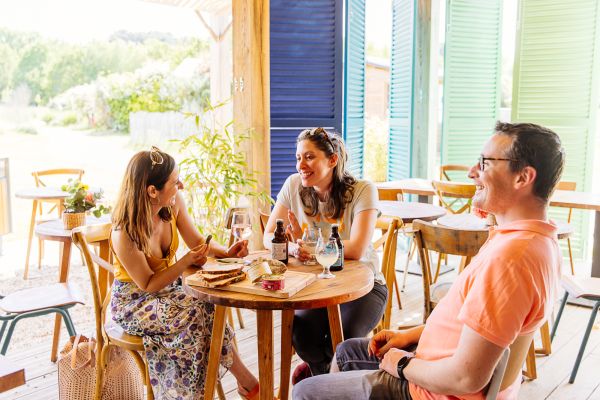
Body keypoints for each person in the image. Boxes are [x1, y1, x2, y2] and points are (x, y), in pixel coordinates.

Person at [293, 121, 566, 400]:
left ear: (523, 177)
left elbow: (465, 378)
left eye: (485, 163)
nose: (473, 173)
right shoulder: (530, 240)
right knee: (347, 351)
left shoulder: (511, 259)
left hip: (430, 391)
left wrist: (402, 364)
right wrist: (411, 336)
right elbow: (477, 327)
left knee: (304, 392)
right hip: (434, 364)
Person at [110, 146, 259, 400]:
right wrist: (184, 263)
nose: (181, 185)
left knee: (208, 304)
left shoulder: (173, 203)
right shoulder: (124, 232)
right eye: (174, 182)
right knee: (193, 318)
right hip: (134, 302)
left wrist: (227, 252)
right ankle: (244, 384)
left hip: (167, 290)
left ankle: (238, 385)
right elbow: (147, 284)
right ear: (152, 191)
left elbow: (197, 241)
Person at [263, 127, 388, 381]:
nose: (301, 165)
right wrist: (291, 246)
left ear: (332, 160)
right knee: (300, 334)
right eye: (298, 157)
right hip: (316, 286)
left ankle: (322, 380)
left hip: (364, 286)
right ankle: (324, 379)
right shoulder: (293, 185)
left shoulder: (363, 190)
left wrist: (307, 246)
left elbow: (356, 249)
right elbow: (267, 236)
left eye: (309, 157)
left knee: (345, 336)